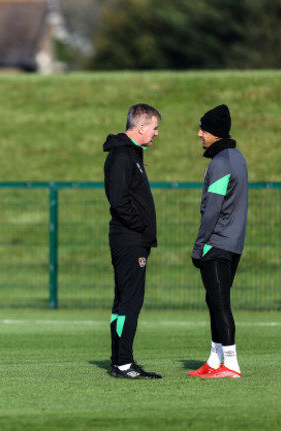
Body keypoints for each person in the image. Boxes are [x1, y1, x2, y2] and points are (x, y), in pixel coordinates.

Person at [103, 103, 162, 379]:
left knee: (124, 302)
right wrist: (141, 227)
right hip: (129, 240)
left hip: (133, 239)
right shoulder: (122, 156)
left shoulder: (132, 154)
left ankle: (119, 361)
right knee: (129, 303)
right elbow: (119, 201)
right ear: (140, 127)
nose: (156, 133)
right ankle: (124, 363)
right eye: (154, 127)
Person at [189, 104, 248, 378]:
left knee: (220, 303)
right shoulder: (237, 158)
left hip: (217, 243)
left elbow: (212, 209)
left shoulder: (220, 163)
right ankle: (214, 361)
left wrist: (199, 246)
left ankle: (231, 365)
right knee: (214, 300)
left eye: (203, 129)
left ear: (216, 132)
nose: (199, 133)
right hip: (234, 243)